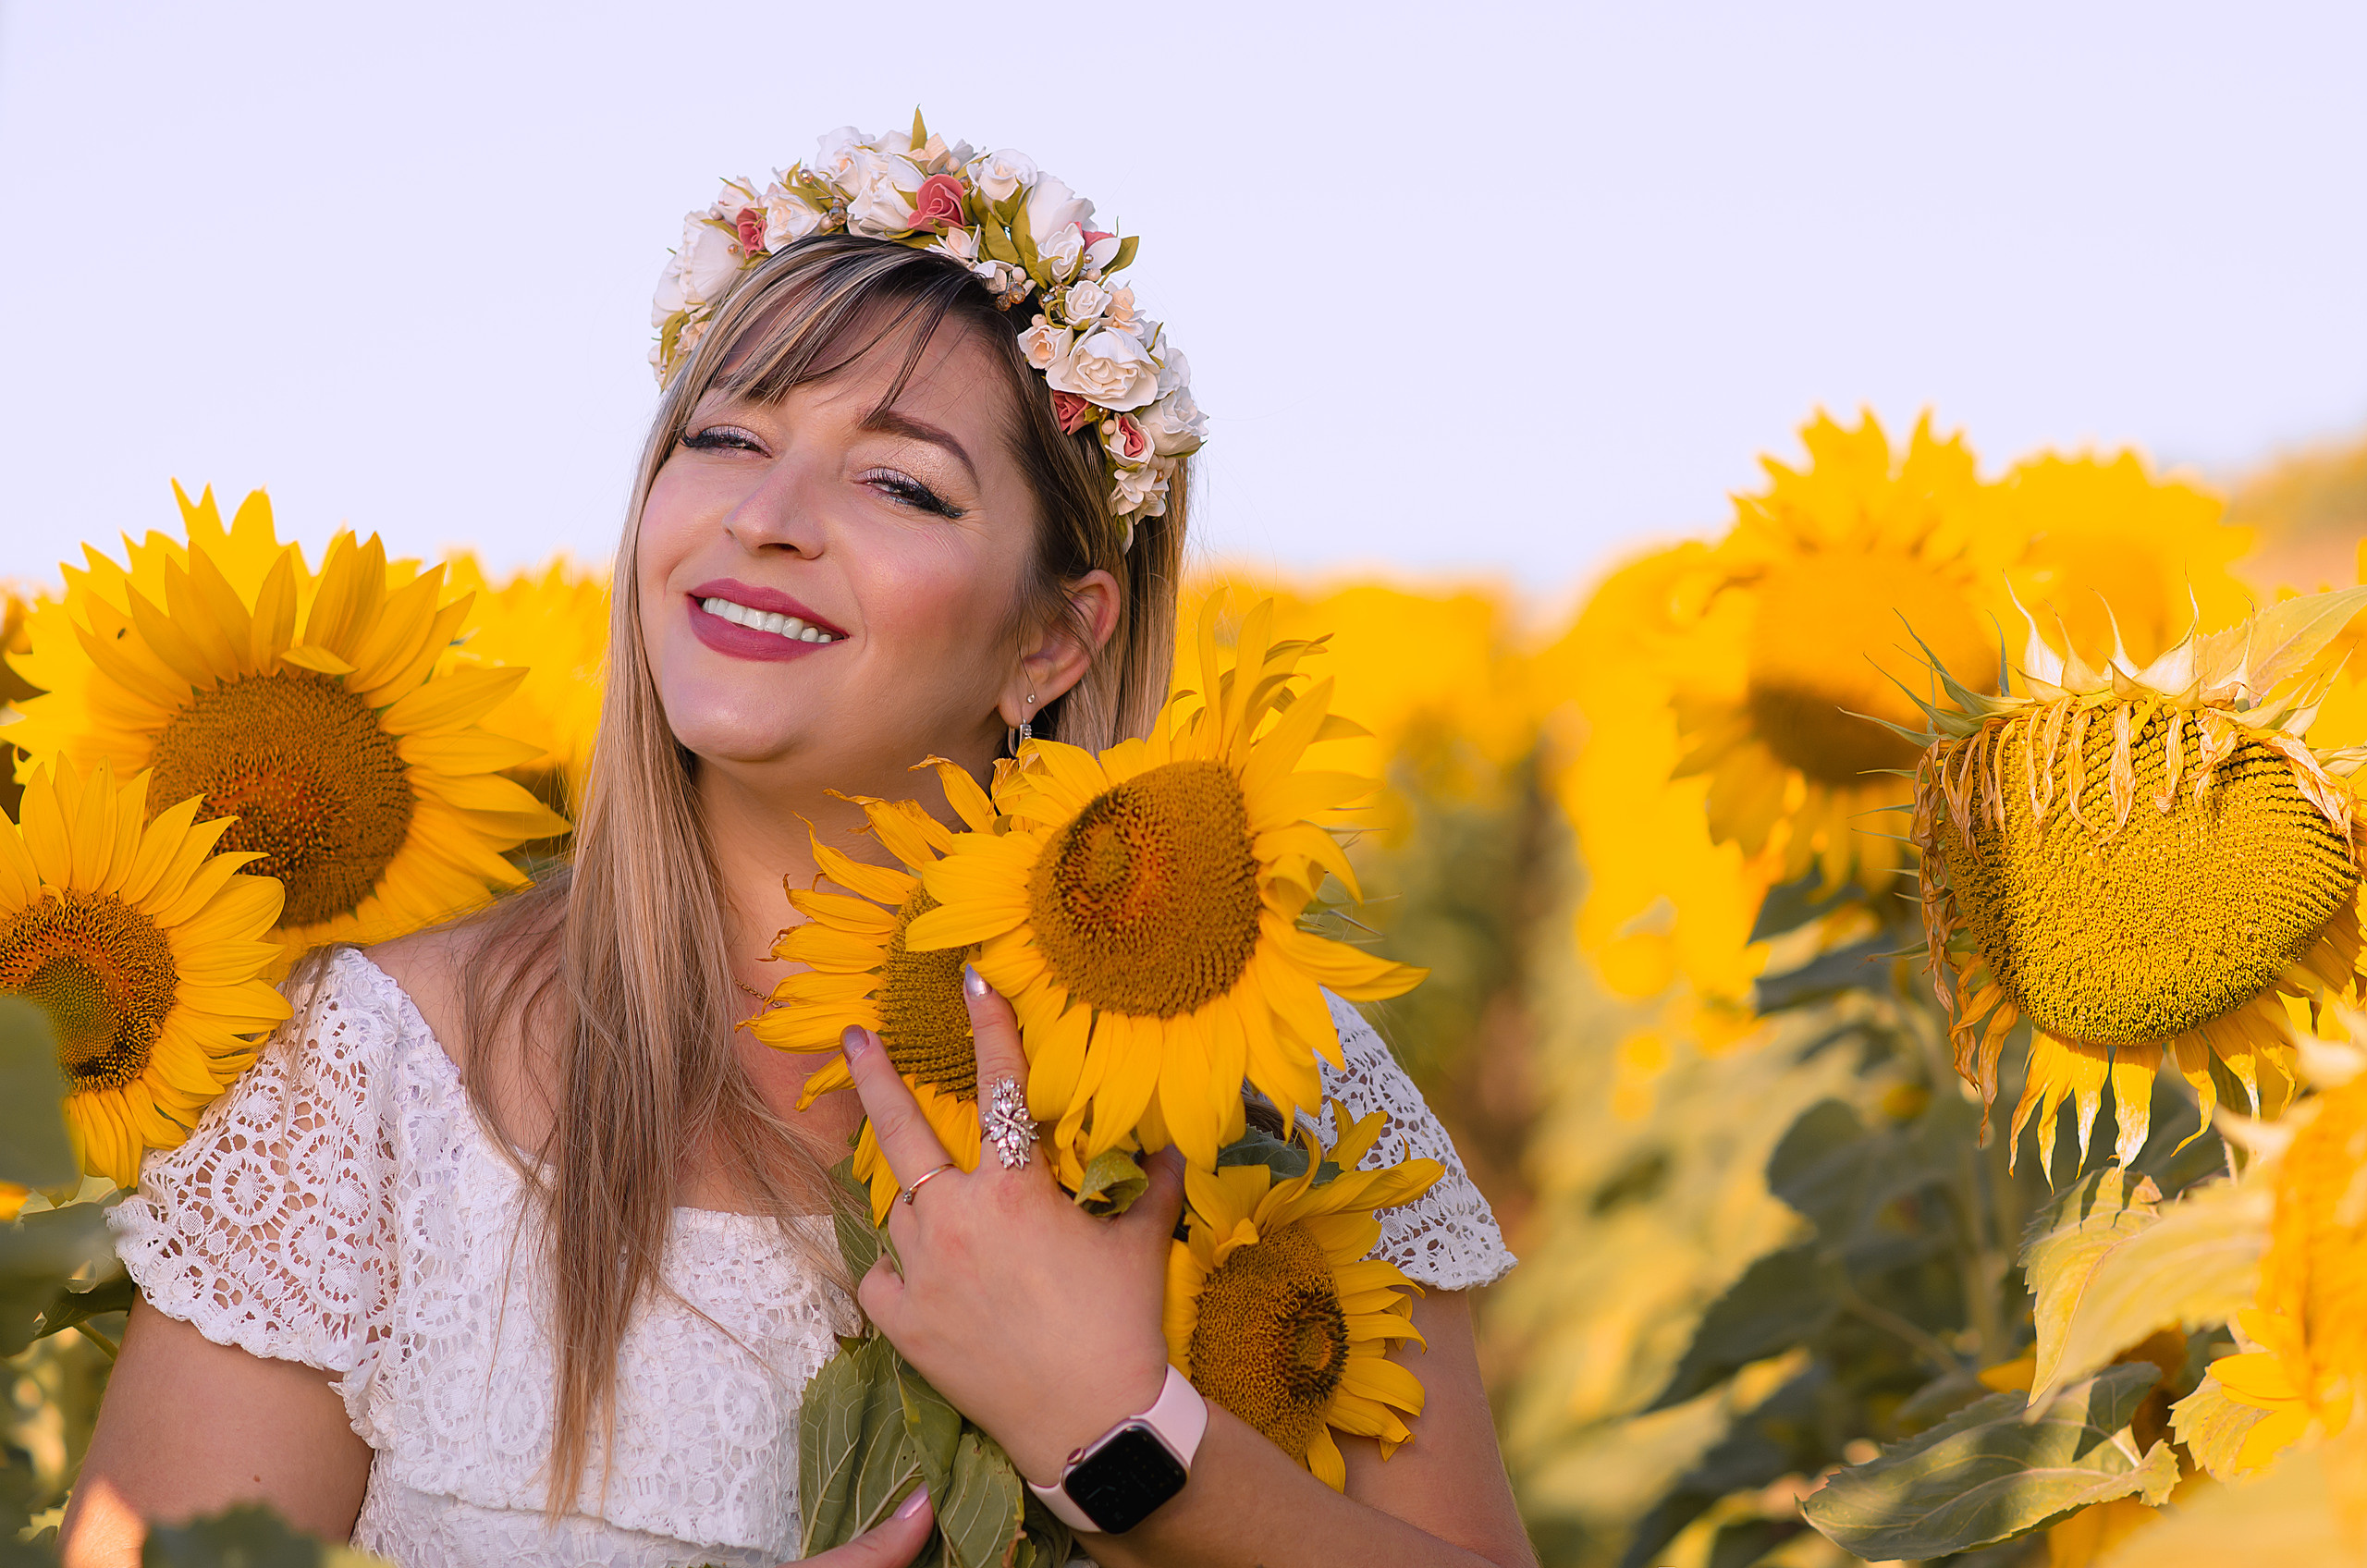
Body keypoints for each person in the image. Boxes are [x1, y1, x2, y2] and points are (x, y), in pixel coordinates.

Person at [59, 123, 1532, 1568]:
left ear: (1052, 636)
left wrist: (1121, 1434)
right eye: (724, 439)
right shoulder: (370, 1083)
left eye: (898, 482)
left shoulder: (1267, 1068)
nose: (766, 517)